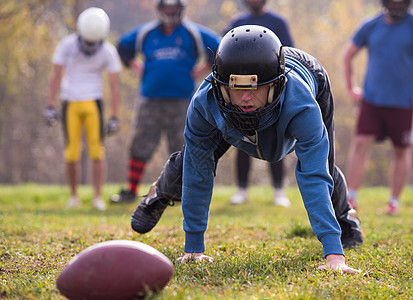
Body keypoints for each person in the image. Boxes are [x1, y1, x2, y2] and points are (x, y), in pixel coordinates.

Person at [130, 25, 363, 273]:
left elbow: (313, 175)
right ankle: (160, 192)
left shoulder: (302, 105)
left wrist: (333, 255)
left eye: (253, 88)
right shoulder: (205, 103)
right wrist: (193, 248)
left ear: (275, 86)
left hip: (309, 74)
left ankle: (344, 218)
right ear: (221, 85)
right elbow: (198, 170)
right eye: (237, 88)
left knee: (322, 164)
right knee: (191, 162)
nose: (245, 98)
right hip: (235, 111)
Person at [110, 0, 221, 203]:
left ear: (181, 9)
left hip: (182, 101)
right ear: (160, 9)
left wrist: (203, 68)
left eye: (174, 8)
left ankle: (182, 192)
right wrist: (134, 64)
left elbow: (219, 47)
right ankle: (131, 191)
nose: (170, 12)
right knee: (139, 144)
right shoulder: (146, 33)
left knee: (183, 147)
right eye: (166, 8)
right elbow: (122, 45)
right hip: (150, 100)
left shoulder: (193, 33)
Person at [344, 0, 413, 215]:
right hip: (372, 100)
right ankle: (351, 198)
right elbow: (349, 54)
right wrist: (352, 88)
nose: (397, 5)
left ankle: (394, 202)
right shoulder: (371, 25)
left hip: (403, 103)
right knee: (361, 142)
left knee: (401, 150)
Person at [45, 7, 122, 211]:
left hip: (93, 103)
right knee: (71, 153)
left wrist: (114, 116)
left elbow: (114, 85)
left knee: (97, 151)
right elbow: (56, 75)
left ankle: (97, 197)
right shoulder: (67, 45)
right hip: (70, 102)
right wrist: (50, 105)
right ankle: (74, 196)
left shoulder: (107, 51)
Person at [225, 0, 294, 207]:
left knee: (275, 137)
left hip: (269, 89)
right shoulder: (237, 21)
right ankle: (242, 189)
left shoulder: (277, 21)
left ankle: (279, 190)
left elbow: (288, 52)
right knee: (243, 137)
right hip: (242, 88)